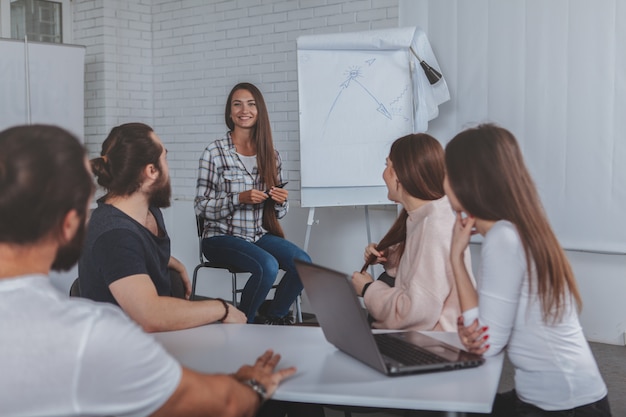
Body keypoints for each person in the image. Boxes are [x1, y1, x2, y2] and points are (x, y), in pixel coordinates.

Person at [0, 124, 295, 417]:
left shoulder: (143, 218)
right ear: (69, 225)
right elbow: (226, 404)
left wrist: (170, 261)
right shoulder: (92, 335)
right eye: (165, 155)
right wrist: (254, 384)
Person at [444, 124, 611, 417]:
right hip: (558, 396)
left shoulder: (503, 239)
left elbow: (487, 344)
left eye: (447, 173)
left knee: (450, 407)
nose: (443, 182)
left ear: (467, 180)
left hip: (565, 406)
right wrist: (476, 330)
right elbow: (487, 328)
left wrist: (456, 258)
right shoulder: (514, 230)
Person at [79, 122, 247, 332]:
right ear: (151, 171)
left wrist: (171, 261)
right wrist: (222, 308)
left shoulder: (149, 213)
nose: (167, 166)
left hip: (155, 344)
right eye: (164, 157)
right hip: (118, 355)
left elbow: (133, 253)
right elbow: (150, 315)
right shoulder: (114, 234)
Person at [195, 82, 311, 324]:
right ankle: (242, 322)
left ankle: (272, 318)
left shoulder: (271, 154)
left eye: (250, 104)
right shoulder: (214, 152)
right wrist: (238, 199)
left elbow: (278, 213)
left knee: (304, 264)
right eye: (237, 104)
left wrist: (281, 201)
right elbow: (201, 205)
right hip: (219, 237)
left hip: (257, 235)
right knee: (267, 265)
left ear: (259, 111)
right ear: (229, 112)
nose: (243, 110)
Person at [350, 133, 473, 332]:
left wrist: (367, 289)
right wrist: (389, 257)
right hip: (429, 338)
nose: (383, 174)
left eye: (387, 165)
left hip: (436, 344)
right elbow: (418, 275)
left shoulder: (434, 227)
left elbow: (415, 314)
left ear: (401, 174)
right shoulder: (422, 217)